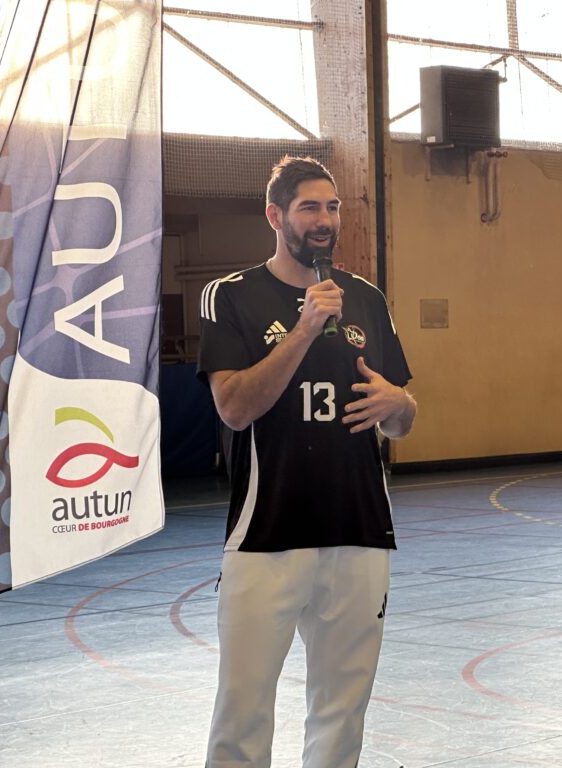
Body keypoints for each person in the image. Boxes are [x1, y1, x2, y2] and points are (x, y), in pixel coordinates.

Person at [198, 156, 417, 768]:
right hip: (268, 534)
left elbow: (402, 416)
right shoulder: (232, 296)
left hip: (359, 531)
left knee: (343, 708)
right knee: (243, 710)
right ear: (275, 215)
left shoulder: (368, 301)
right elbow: (234, 408)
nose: (325, 220)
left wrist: (400, 404)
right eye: (309, 208)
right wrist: (303, 328)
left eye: (333, 207)